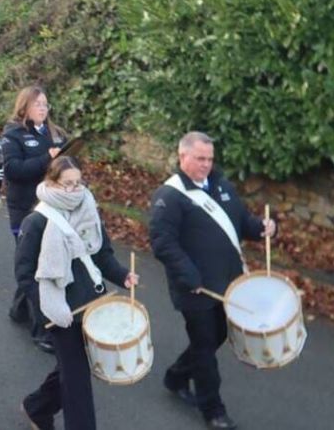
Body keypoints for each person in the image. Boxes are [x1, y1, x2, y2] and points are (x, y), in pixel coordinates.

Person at [149, 132, 275, 430]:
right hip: (195, 286)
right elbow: (162, 243)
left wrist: (262, 228)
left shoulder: (222, 186)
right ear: (183, 157)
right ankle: (213, 409)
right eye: (200, 158)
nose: (206, 164)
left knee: (217, 336)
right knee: (205, 344)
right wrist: (188, 274)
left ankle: (177, 375)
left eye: (210, 158)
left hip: (229, 284)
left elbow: (242, 222)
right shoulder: (169, 196)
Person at [19, 156, 138, 430]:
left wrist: (122, 275)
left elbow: (102, 254)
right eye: (67, 184)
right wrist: (48, 309)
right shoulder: (36, 222)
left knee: (71, 370)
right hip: (59, 311)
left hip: (92, 304)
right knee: (77, 380)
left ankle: (37, 407)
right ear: (51, 183)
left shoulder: (88, 208)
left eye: (78, 183)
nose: (74, 190)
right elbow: (24, 275)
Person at [3, 86, 70, 344]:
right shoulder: (13, 134)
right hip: (24, 210)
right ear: (25, 107)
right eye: (38, 104)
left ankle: (19, 310)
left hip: (52, 209)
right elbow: (13, 170)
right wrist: (46, 158)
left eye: (45, 104)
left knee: (37, 264)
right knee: (35, 268)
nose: (43, 108)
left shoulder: (55, 134)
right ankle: (42, 331)